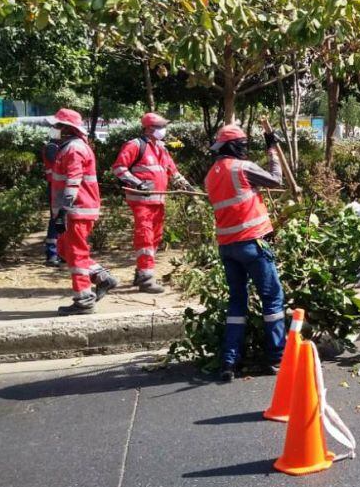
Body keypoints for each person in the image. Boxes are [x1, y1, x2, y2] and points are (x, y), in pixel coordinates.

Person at [204, 124, 287, 382]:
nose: (245, 149)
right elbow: (277, 180)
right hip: (252, 244)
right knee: (272, 298)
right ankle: (276, 358)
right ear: (234, 146)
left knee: (237, 301)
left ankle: (229, 361)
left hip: (227, 247)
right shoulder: (242, 168)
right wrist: (272, 148)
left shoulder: (211, 175)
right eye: (243, 144)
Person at [111, 112, 194, 293]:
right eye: (160, 127)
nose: (163, 130)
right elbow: (118, 168)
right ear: (149, 128)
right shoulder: (135, 145)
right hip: (142, 201)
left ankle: (141, 273)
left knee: (155, 237)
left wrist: (188, 187)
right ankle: (146, 279)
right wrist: (138, 183)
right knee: (145, 237)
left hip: (159, 200)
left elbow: (173, 171)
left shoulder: (161, 148)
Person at [49, 108, 117, 316]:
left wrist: (64, 209)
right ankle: (101, 276)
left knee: (76, 254)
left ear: (67, 128)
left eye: (58, 126)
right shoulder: (69, 147)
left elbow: (73, 180)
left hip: (75, 210)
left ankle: (84, 300)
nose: (54, 130)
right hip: (73, 209)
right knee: (64, 250)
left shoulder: (74, 149)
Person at [41, 126, 63, 267]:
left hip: (59, 185)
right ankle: (52, 254)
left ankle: (60, 252)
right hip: (55, 186)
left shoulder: (55, 146)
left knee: (62, 219)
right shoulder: (52, 147)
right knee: (56, 219)